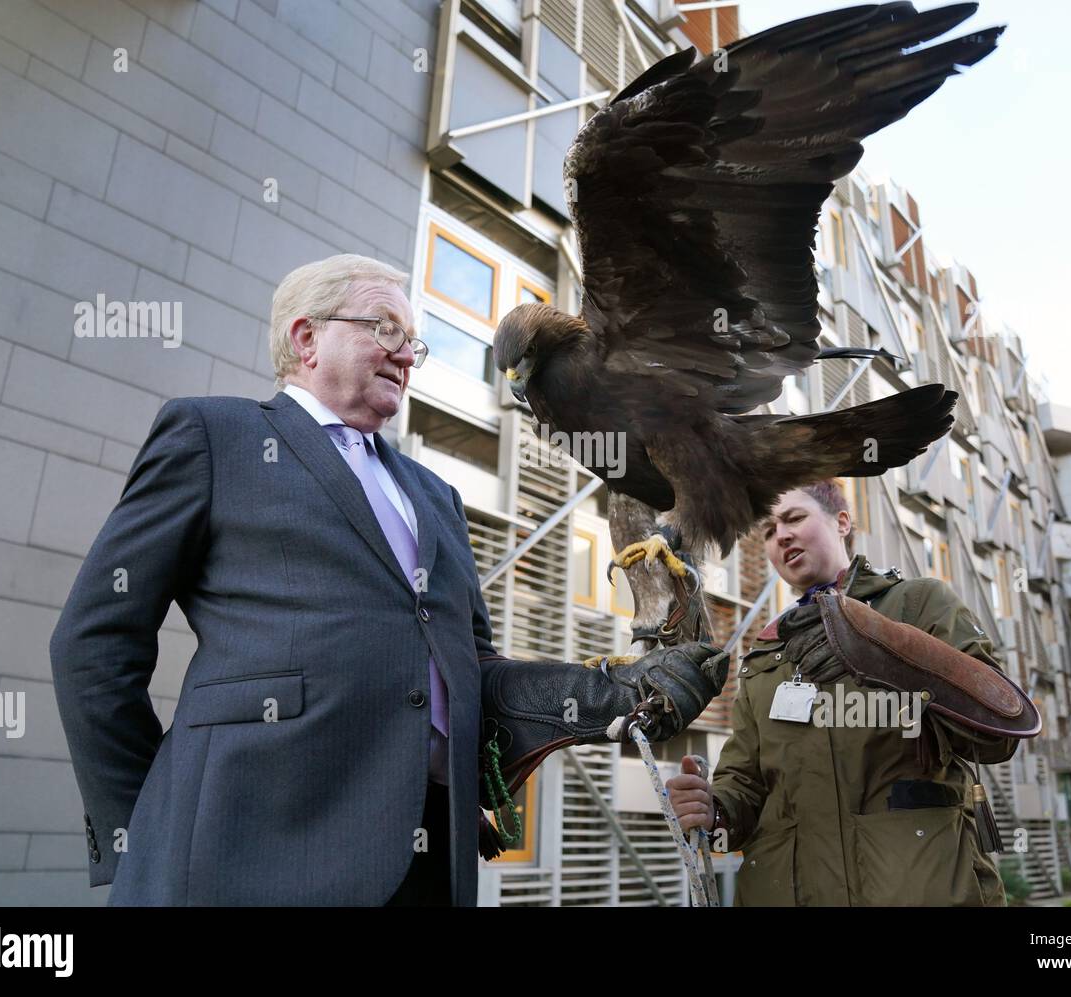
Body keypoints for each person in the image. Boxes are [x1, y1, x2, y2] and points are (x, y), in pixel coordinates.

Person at [50, 253, 726, 906]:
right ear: (305, 337)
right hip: (243, 856)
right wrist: (146, 833)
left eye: (415, 342)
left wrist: (605, 695)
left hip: (429, 862)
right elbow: (92, 645)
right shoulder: (213, 435)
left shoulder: (435, 494)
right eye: (385, 329)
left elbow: (471, 671)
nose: (407, 353)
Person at [666, 478, 1034, 906]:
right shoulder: (765, 654)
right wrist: (714, 810)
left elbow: (1001, 729)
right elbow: (746, 782)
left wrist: (883, 648)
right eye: (768, 530)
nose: (780, 534)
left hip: (921, 889)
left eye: (794, 518)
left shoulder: (918, 604)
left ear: (842, 521)